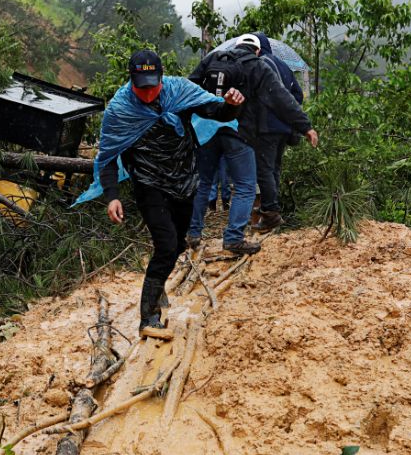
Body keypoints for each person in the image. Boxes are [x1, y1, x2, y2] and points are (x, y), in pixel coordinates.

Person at [74, 49, 243, 339]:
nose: (149, 94)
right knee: (165, 246)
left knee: (178, 244)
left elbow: (215, 111)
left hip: (185, 179)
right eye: (142, 87)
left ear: (162, 78)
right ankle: (148, 318)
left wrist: (231, 105)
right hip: (149, 184)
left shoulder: (180, 92)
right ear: (132, 81)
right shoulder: (120, 110)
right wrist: (112, 195)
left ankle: (158, 285)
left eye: (154, 86)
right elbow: (108, 156)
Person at [186, 34, 317, 254]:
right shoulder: (258, 65)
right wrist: (305, 126)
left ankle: (193, 233)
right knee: (245, 186)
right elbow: (281, 98)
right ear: (257, 50)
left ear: (236, 46)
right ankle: (234, 239)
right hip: (238, 132)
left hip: (207, 131)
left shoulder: (213, 59)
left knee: (204, 182)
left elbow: (189, 87)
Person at [252, 32, 310, 231]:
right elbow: (297, 95)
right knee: (274, 168)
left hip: (267, 127)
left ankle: (270, 212)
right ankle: (272, 210)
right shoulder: (282, 65)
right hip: (284, 128)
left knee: (264, 169)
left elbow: (273, 94)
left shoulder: (261, 64)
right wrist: (288, 114)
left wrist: (269, 108)